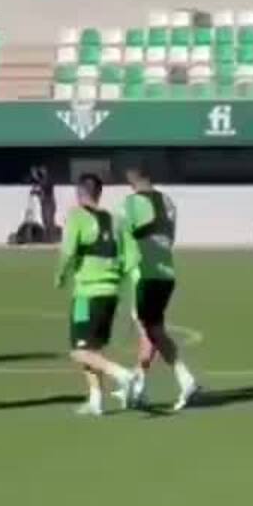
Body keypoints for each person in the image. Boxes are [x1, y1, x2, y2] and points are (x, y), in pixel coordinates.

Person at [57, 173, 141, 415]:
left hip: (87, 294)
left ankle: (123, 375)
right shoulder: (116, 221)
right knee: (93, 348)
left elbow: (68, 251)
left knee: (79, 350)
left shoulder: (77, 217)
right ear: (99, 193)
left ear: (79, 193)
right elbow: (131, 259)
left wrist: (60, 274)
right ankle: (96, 401)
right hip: (111, 293)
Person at [121, 164, 199, 410]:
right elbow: (170, 237)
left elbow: (125, 237)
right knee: (153, 329)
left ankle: (184, 379)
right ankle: (139, 387)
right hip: (166, 271)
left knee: (150, 331)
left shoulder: (132, 204)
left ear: (132, 181)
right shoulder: (167, 201)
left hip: (144, 273)